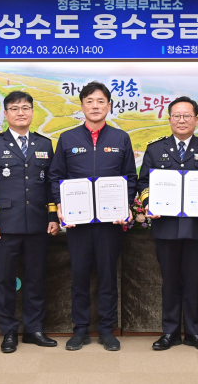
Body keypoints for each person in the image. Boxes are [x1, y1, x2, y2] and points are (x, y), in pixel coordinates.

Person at [49, 81, 137, 351]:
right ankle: (80, 330)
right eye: (89, 101)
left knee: (108, 276)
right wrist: (60, 205)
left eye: (100, 101)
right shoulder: (68, 139)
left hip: (111, 223)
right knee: (80, 276)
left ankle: (107, 330)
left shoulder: (120, 138)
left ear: (109, 106)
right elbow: (56, 176)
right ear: (82, 106)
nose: (95, 106)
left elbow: (130, 178)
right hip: (79, 222)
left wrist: (125, 206)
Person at [137, 96, 198, 351]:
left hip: (197, 226)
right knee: (170, 282)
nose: (182, 120)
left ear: (196, 120)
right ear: (169, 119)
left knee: (194, 280)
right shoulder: (155, 149)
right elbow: (144, 183)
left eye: (187, 116)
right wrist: (149, 203)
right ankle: (170, 332)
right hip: (166, 226)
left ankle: (194, 333)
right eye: (177, 115)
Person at [0, 91, 60, 353]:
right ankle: (9, 331)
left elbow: (49, 185)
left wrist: (52, 216)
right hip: (5, 226)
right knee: (5, 281)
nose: (21, 113)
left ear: (33, 112)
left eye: (25, 108)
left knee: (36, 279)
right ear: (6, 114)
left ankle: (34, 329)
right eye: (14, 108)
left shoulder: (44, 144)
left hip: (37, 224)